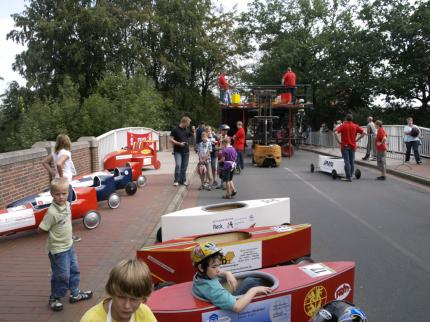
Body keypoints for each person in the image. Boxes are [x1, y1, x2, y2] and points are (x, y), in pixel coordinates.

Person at [38, 178, 93, 312]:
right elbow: (41, 228)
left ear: (68, 193)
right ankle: (55, 298)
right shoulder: (52, 212)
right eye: (57, 194)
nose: (61, 197)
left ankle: (75, 293)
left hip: (69, 245)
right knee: (61, 275)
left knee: (74, 270)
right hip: (58, 250)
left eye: (64, 193)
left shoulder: (67, 204)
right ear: (52, 194)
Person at [191, 242, 272, 313]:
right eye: (214, 266)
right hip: (233, 304)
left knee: (250, 281)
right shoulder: (213, 290)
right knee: (251, 282)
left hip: (225, 299)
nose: (218, 270)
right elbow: (237, 307)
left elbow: (215, 272)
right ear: (201, 267)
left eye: (219, 265)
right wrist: (255, 290)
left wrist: (227, 273)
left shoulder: (199, 276)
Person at [80, 258, 156, 322]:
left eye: (134, 299)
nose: (127, 306)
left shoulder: (145, 314)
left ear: (143, 298)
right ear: (111, 291)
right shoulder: (91, 319)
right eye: (121, 297)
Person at [42, 134, 81, 242]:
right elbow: (59, 164)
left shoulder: (55, 153)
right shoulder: (66, 153)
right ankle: (69, 235)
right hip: (64, 184)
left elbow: (44, 162)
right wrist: (62, 178)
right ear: (67, 142)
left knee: (58, 209)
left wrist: (53, 173)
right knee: (66, 210)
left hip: (56, 184)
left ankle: (57, 231)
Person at [335, 113, 365, 182]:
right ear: (352, 119)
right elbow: (364, 133)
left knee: (347, 161)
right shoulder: (355, 126)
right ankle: (350, 175)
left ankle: (348, 177)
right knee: (352, 161)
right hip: (353, 145)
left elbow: (336, 133)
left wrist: (339, 141)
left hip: (345, 146)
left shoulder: (343, 125)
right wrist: (357, 140)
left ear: (346, 118)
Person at [170, 116, 193, 186]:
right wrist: (179, 143)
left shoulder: (186, 129)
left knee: (184, 166)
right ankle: (176, 180)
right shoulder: (175, 129)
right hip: (177, 151)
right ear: (184, 122)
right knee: (178, 165)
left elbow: (190, 136)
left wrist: (193, 132)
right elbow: (170, 139)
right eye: (188, 123)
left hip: (186, 151)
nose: (188, 125)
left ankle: (183, 180)